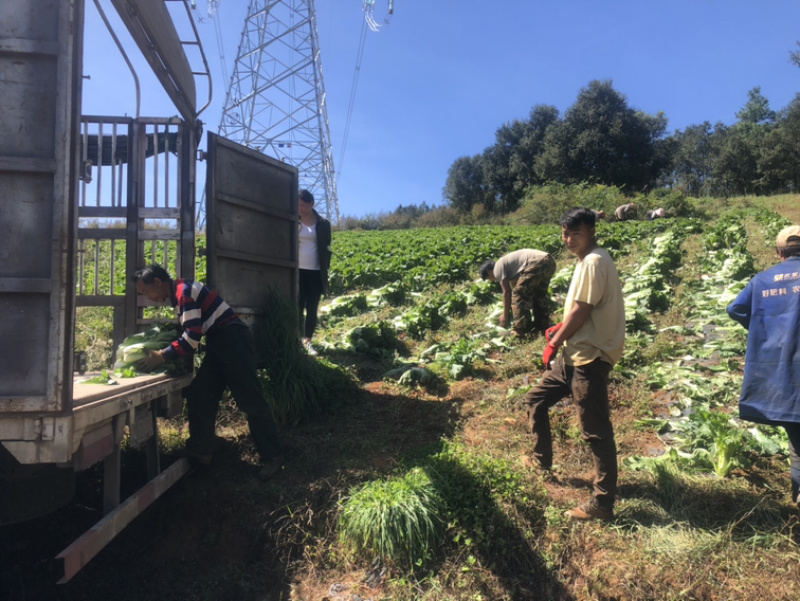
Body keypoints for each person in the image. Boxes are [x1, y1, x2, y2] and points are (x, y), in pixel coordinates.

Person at [132, 264, 285, 481]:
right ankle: (202, 451)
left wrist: (162, 356)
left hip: (233, 341)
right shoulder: (180, 293)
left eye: (146, 292)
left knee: (250, 400)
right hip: (220, 343)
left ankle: (273, 455)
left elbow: (192, 338)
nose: (148, 298)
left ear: (157, 282)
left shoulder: (184, 292)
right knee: (200, 393)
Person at [523, 208, 625, 521]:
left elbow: (582, 312)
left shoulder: (594, 261)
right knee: (535, 399)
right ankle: (541, 461)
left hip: (590, 357)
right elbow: (578, 314)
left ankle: (602, 504)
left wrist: (552, 342)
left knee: (595, 430)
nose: (569, 240)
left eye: (575, 233)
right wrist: (559, 331)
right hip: (574, 352)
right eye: (565, 234)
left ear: (591, 231)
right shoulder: (586, 260)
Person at [727, 224, 800, 509]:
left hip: (784, 373)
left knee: (797, 435)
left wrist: (764, 328)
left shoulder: (763, 280)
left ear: (779, 253)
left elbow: (735, 309)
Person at [479, 249, 556, 337]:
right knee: (538, 295)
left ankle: (519, 330)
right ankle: (542, 326)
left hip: (536, 262)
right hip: (549, 261)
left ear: (489, 272)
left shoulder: (497, 268)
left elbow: (507, 293)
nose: (493, 281)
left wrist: (505, 315)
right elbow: (519, 286)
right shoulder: (510, 267)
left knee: (518, 294)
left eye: (489, 279)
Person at [298, 189, 332, 356]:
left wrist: (326, 266)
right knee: (297, 307)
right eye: (298, 205)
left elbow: (327, 247)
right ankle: (296, 340)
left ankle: (308, 341)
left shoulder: (323, 223)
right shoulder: (293, 220)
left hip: (316, 272)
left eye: (304, 205)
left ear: (312, 204)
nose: (301, 209)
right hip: (297, 271)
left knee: (312, 308)